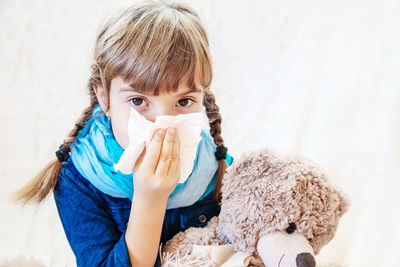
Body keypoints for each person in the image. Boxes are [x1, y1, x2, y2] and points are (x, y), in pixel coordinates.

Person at [13, 1, 233, 266]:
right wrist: (149, 199)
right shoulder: (78, 180)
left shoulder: (218, 167)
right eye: (138, 101)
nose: (163, 123)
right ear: (104, 97)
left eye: (184, 101)